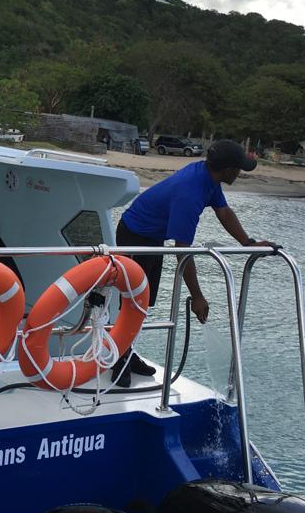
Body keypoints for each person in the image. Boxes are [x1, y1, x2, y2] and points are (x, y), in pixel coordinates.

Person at [112, 138, 275, 385]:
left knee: (144, 301)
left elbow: (223, 211)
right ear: (229, 169)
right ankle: (117, 361)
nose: (240, 172)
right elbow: (183, 252)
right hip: (134, 233)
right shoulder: (190, 192)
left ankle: (127, 353)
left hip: (152, 237)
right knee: (131, 300)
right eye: (239, 168)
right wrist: (197, 296)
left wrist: (247, 242)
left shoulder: (208, 178)